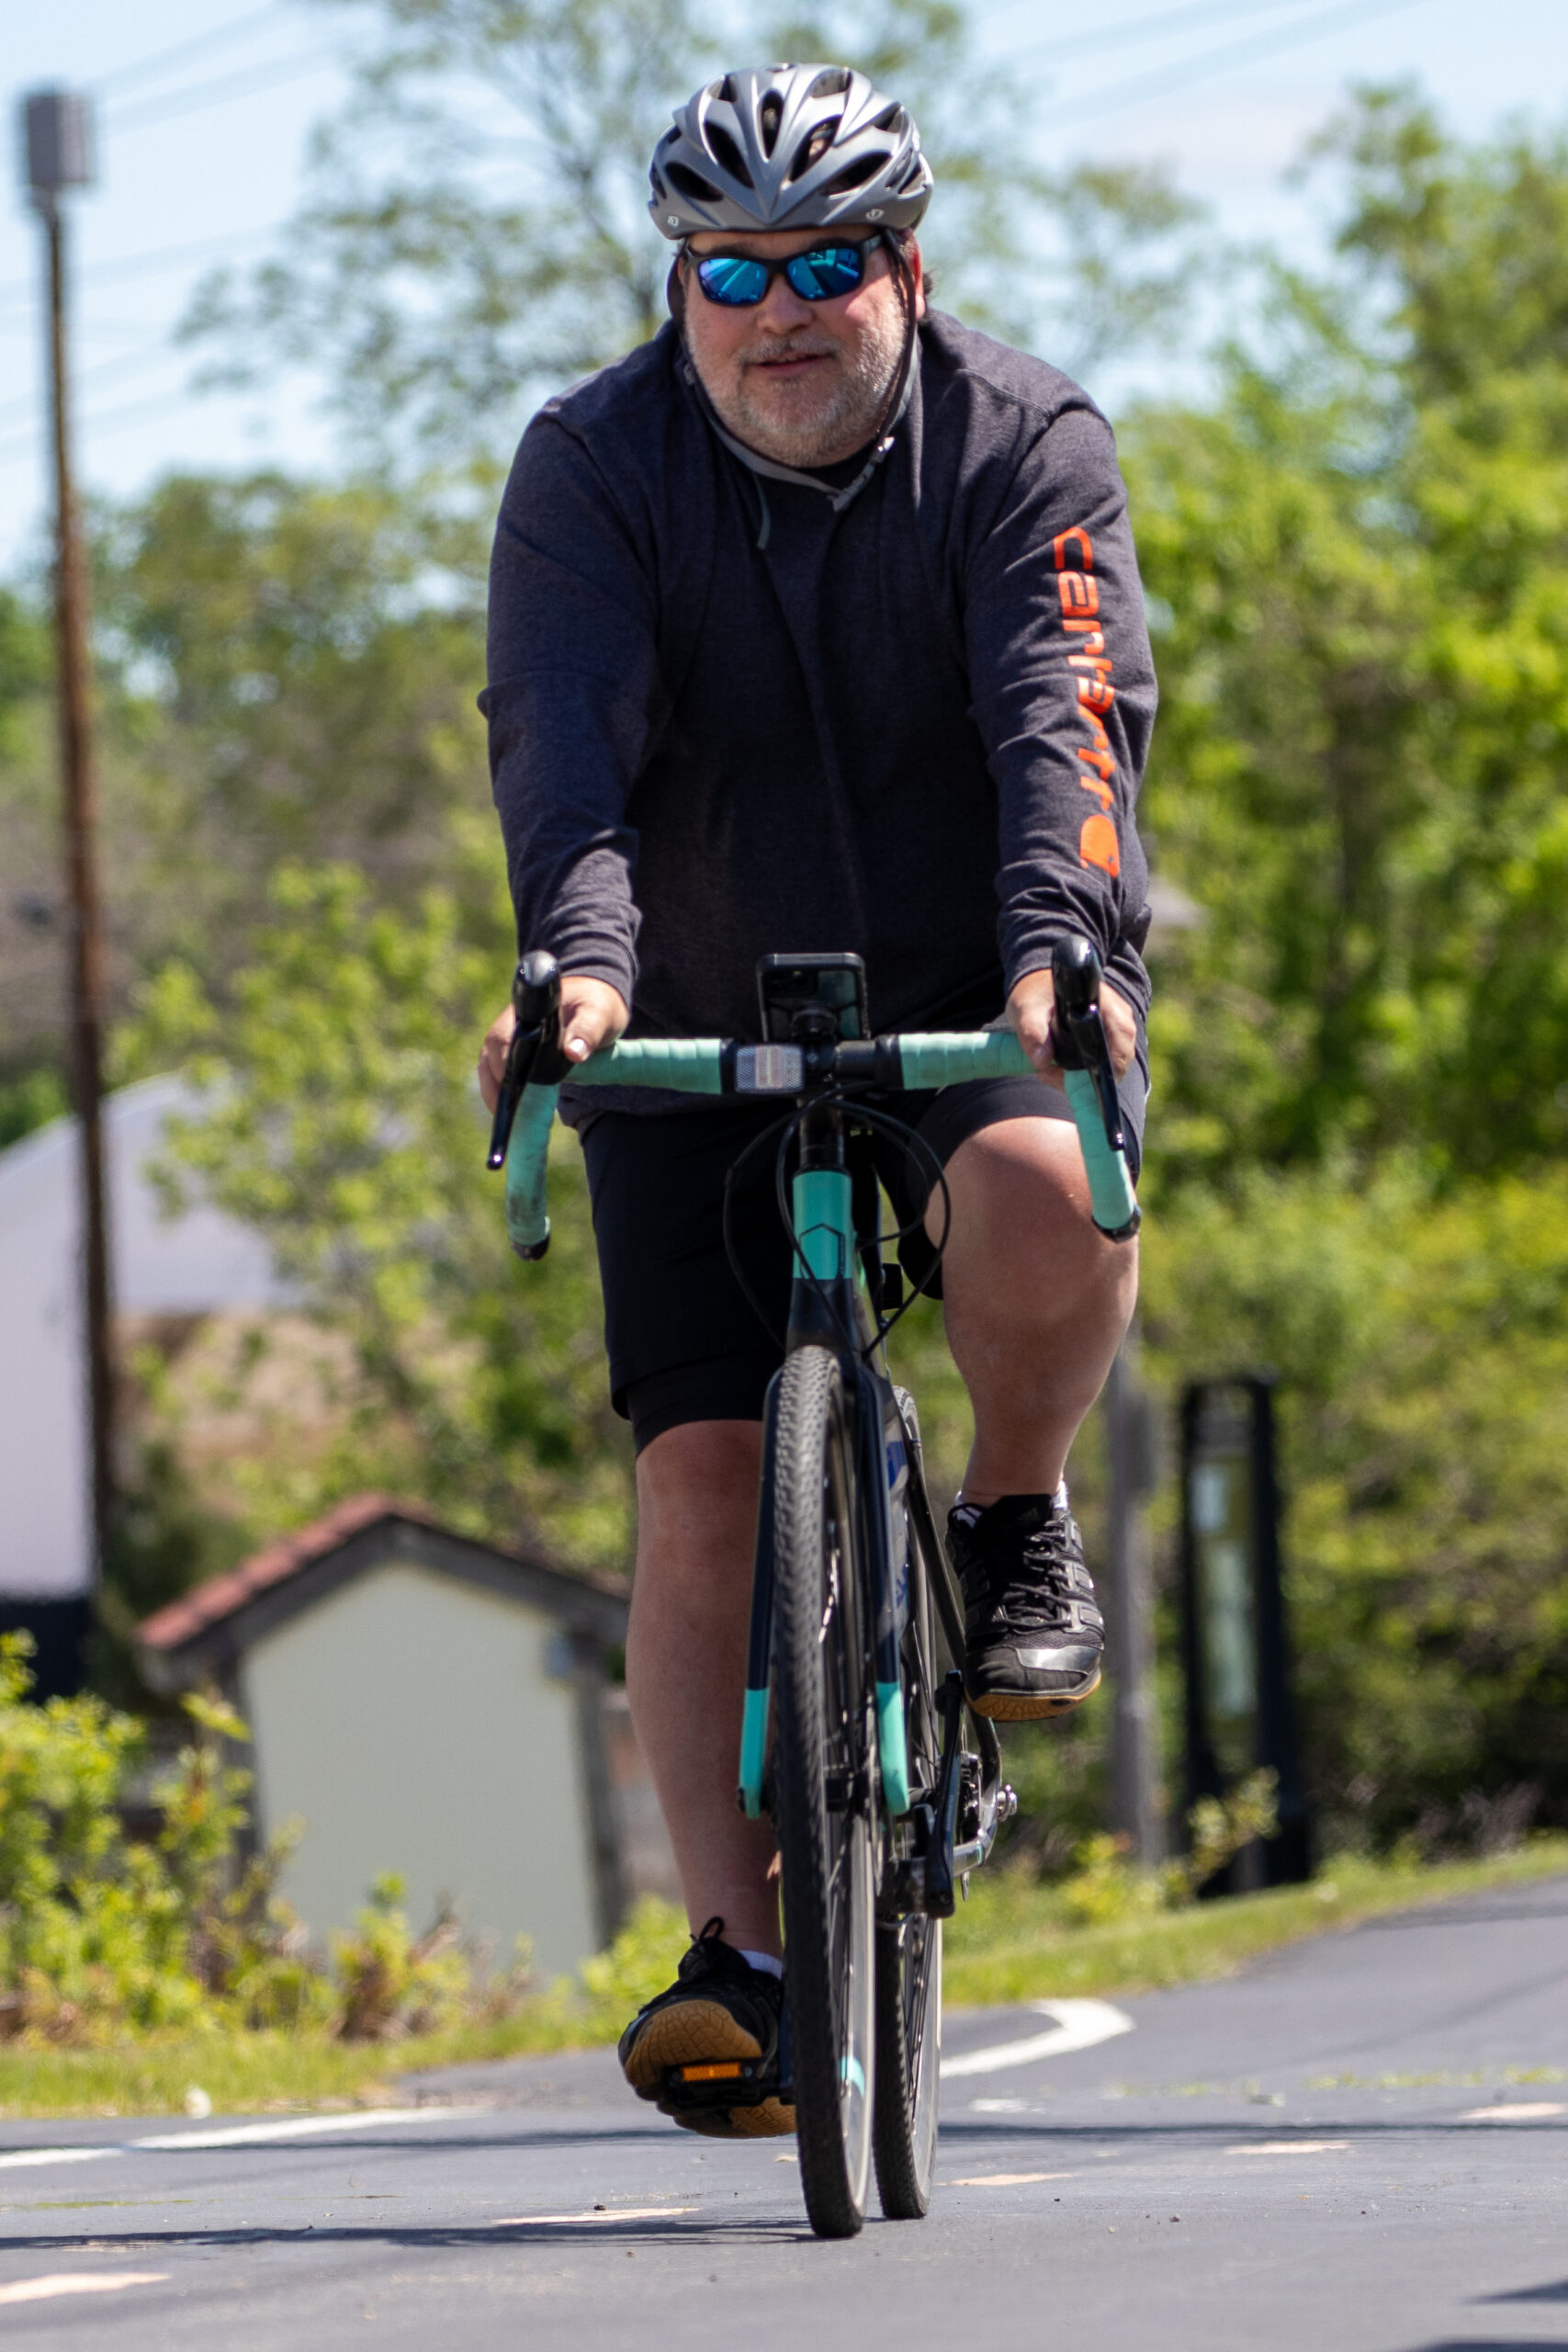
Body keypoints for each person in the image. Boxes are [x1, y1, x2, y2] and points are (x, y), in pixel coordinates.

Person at [479, 62, 1156, 2137]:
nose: (778, 310)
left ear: (905, 272)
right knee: (700, 1483)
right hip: (680, 1004)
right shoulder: (590, 468)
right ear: (678, 290)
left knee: (1046, 1181)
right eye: (731, 271)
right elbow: (561, 754)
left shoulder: (1024, 438)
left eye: (826, 264)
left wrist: (1063, 948)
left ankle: (1015, 1508)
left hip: (973, 975)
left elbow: (1067, 712)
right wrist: (578, 974)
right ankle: (743, 1957)